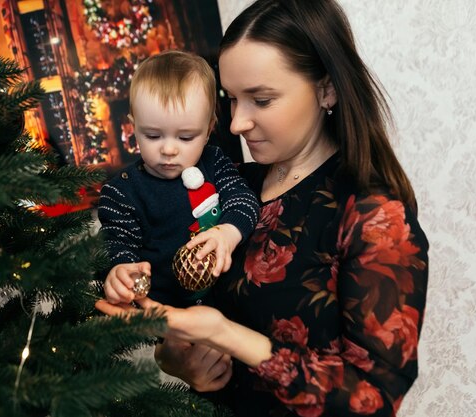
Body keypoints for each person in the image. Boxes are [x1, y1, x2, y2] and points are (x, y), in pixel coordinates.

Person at [96, 0, 430, 416]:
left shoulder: (374, 215)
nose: (236, 123)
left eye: (261, 99)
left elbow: (374, 400)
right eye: (232, 99)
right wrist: (176, 359)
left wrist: (228, 335)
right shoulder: (233, 186)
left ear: (326, 88)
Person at [98, 50, 260, 308]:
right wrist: (122, 270)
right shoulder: (121, 193)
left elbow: (243, 199)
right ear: (133, 127)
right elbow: (117, 242)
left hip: (232, 298)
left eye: (185, 138)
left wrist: (227, 232)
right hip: (171, 313)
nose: (169, 150)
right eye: (153, 136)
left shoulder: (214, 162)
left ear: (208, 131)